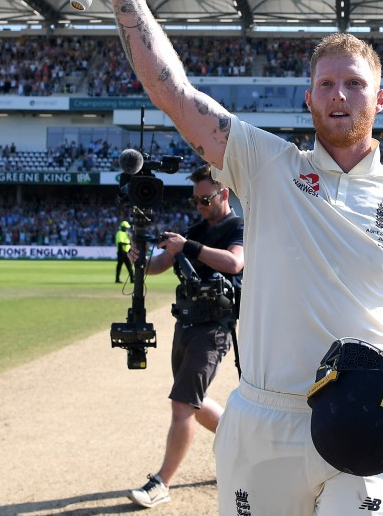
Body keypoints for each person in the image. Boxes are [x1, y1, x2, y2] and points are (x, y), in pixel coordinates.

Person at [91, 0, 383, 513]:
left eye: (355, 84)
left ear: (380, 99)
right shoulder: (265, 165)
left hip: (361, 414)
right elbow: (174, 93)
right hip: (263, 420)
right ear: (307, 97)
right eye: (327, 84)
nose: (340, 94)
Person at [126, 164, 245, 509]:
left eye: (205, 199)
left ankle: (161, 483)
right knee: (191, 398)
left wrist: (188, 246)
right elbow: (158, 266)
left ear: (224, 194)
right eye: (195, 201)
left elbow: (235, 264)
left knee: (182, 403)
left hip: (214, 326)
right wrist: (139, 257)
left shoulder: (238, 227)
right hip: (187, 322)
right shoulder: (196, 228)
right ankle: (239, 446)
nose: (200, 206)